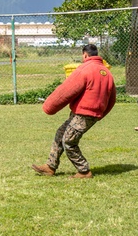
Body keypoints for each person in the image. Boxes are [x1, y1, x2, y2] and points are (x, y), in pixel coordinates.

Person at [32, 43, 117, 179]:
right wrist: (100, 114)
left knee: (69, 141)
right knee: (60, 134)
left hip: (84, 113)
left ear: (85, 55)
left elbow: (66, 90)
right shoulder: (107, 72)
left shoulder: (85, 69)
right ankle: (50, 166)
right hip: (91, 114)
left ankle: (84, 171)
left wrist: (49, 106)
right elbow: (112, 99)